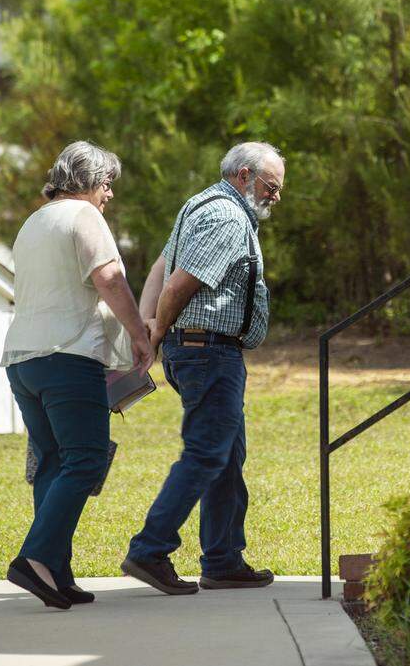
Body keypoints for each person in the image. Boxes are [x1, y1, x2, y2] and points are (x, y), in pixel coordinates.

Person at [121, 141, 284, 595]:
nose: (275, 196)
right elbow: (178, 282)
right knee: (208, 453)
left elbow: (159, 267)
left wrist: (152, 326)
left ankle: (223, 559)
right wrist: (153, 332)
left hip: (201, 350)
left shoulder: (201, 203)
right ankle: (150, 550)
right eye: (271, 186)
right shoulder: (228, 217)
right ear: (245, 175)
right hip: (208, 351)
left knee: (227, 455)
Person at [2, 141, 154, 609]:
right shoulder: (85, 217)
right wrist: (140, 336)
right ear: (90, 182)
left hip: (22, 358)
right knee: (86, 459)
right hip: (68, 357)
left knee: (52, 460)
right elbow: (108, 278)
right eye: (107, 184)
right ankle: (35, 559)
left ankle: (56, 575)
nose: (109, 194)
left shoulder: (34, 221)